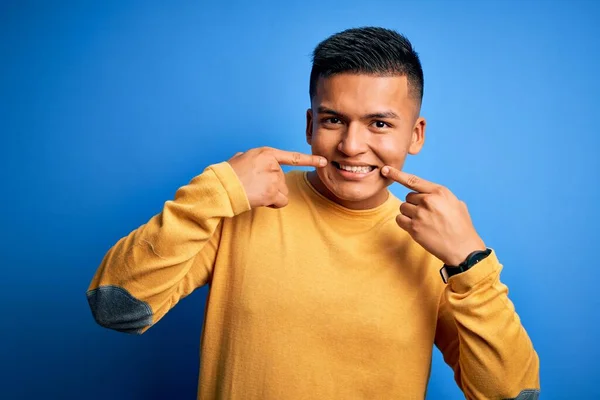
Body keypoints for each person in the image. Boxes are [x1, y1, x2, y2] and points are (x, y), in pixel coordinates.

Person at [87, 27, 540, 399]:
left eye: (379, 123)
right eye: (333, 120)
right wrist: (217, 191)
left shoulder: (437, 248)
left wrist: (471, 262)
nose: (351, 145)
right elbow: (116, 308)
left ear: (415, 135)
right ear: (309, 125)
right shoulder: (242, 205)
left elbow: (511, 395)